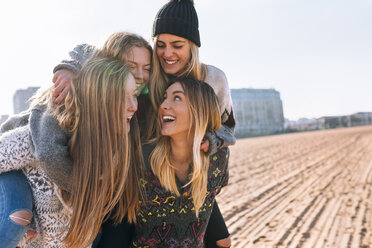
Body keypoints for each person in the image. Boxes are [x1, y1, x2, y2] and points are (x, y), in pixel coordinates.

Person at [0, 56, 142, 247]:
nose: (134, 107)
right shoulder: (43, 141)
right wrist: (12, 208)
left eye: (135, 95)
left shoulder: (115, 158)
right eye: (123, 98)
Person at [102, 77, 229, 247]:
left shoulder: (218, 158)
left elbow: (211, 200)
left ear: (200, 109)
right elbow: (116, 225)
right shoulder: (140, 159)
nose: (163, 105)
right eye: (164, 98)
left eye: (177, 98)